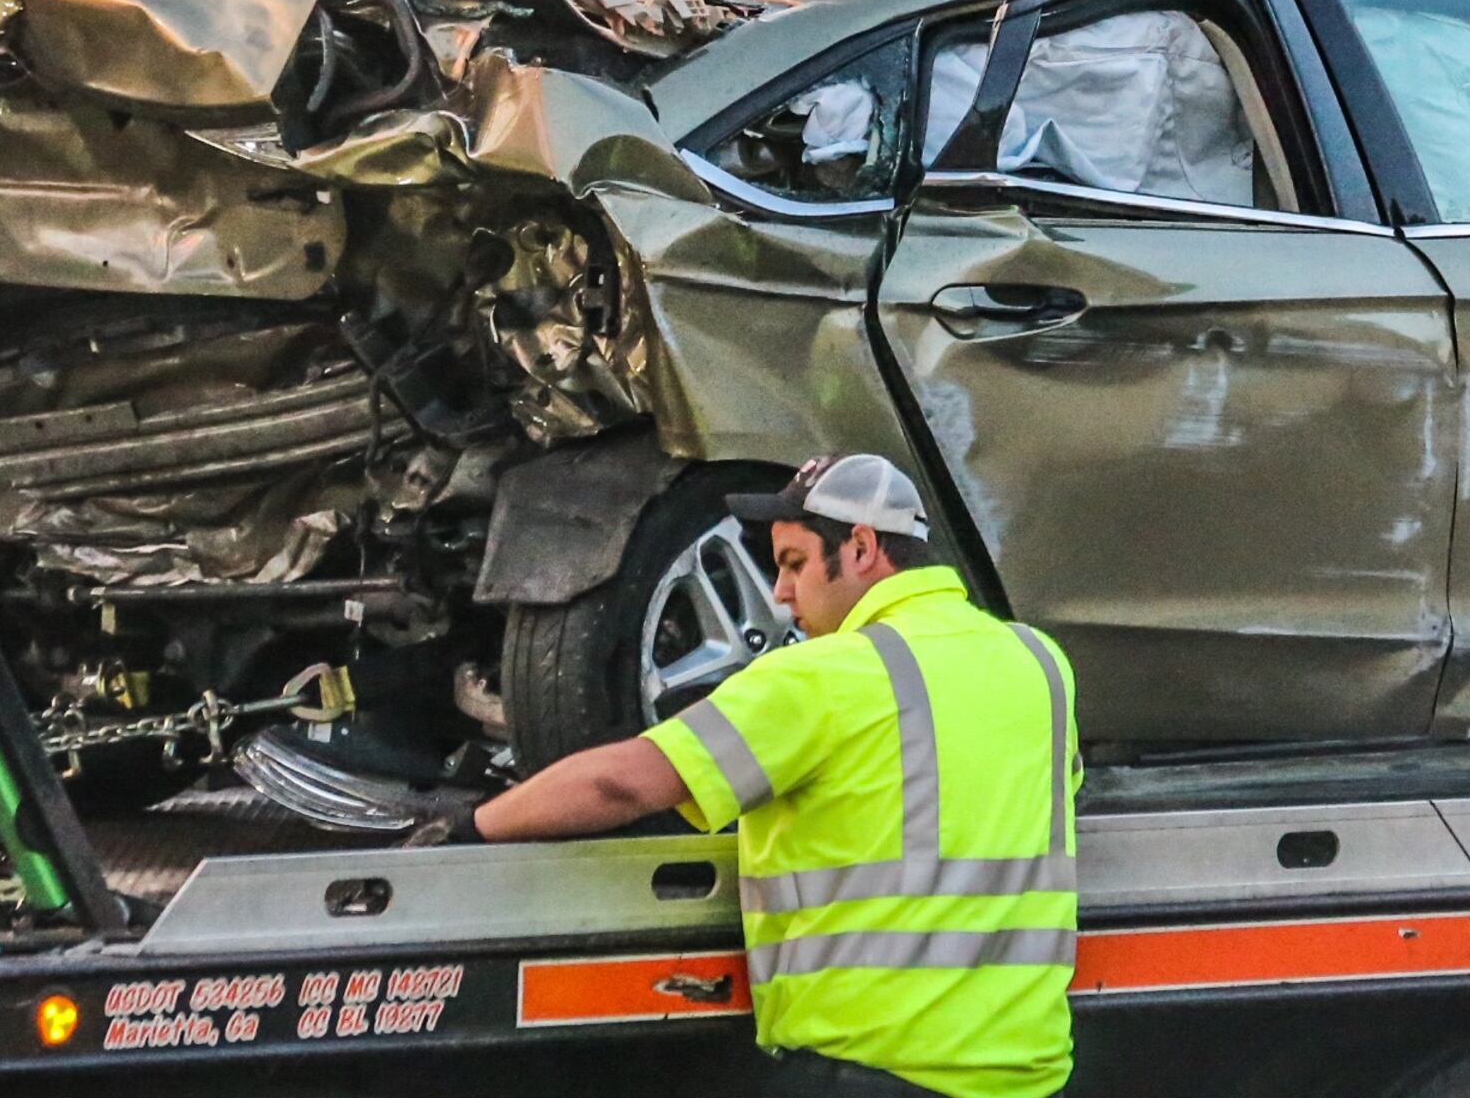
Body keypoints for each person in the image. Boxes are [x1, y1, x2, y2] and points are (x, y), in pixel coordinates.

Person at [423, 455, 1080, 1098]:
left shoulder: (824, 676)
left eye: (793, 564)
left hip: (876, 1069)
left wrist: (472, 825)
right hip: (1028, 1074)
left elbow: (624, 783)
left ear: (859, 548)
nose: (781, 594)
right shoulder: (1039, 663)